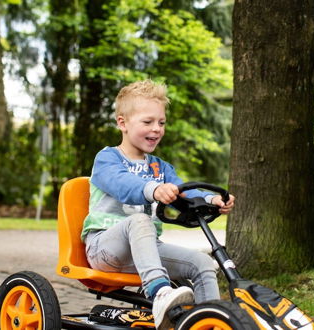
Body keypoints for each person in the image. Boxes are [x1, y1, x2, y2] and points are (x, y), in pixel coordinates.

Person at [81, 79, 235, 329]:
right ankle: (159, 293)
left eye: (161, 122)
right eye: (147, 122)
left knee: (203, 262)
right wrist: (153, 189)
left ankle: (210, 322)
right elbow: (122, 184)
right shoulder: (107, 158)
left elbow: (185, 191)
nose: (157, 129)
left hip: (148, 249)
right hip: (105, 249)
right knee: (140, 221)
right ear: (123, 123)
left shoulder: (159, 167)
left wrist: (212, 199)